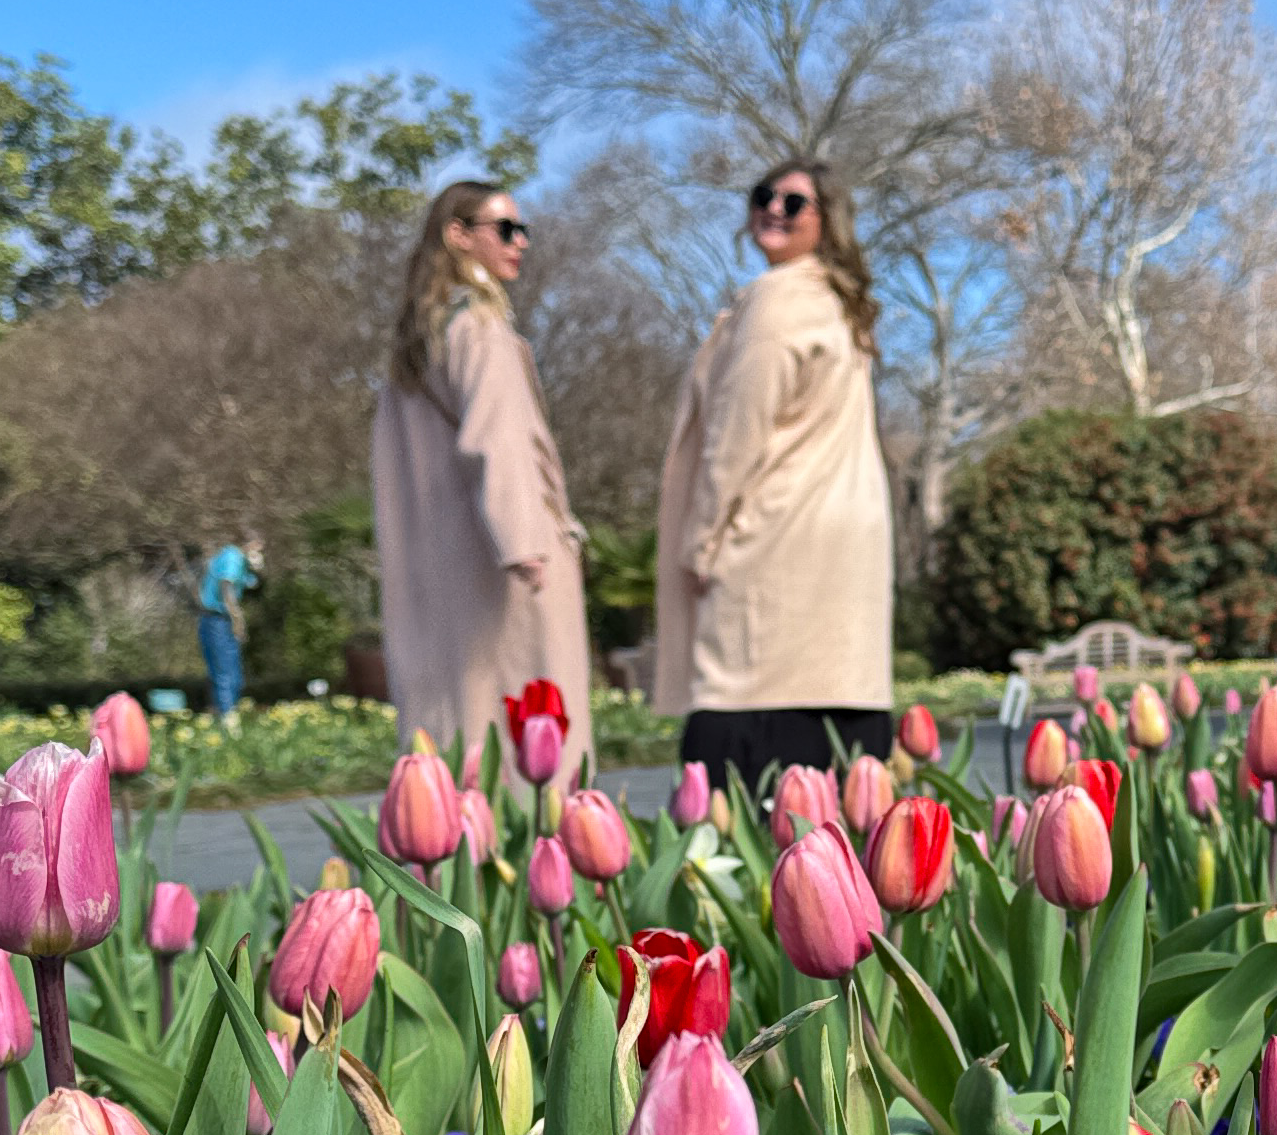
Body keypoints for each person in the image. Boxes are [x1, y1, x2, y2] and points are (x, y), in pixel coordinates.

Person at [653, 159, 894, 789]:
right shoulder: (840, 307)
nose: (774, 210)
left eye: (795, 203)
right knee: (844, 781)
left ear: (828, 221)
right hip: (846, 549)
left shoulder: (775, 300)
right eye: (764, 197)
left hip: (774, 538)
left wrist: (700, 543)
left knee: (746, 753)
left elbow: (736, 437)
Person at [371, 178, 594, 788]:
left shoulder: (417, 342)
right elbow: (498, 441)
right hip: (506, 562)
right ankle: (530, 862)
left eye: (524, 229)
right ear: (458, 236)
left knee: (456, 727)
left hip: (441, 559)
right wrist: (526, 540)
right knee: (527, 725)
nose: (520, 242)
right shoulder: (481, 328)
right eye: (505, 229)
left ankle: (459, 853)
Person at [197, 528, 262, 724]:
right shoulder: (232, 556)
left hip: (220, 620)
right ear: (248, 543)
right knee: (224, 674)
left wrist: (254, 568)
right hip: (217, 620)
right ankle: (228, 722)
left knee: (233, 674)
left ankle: (228, 718)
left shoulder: (238, 560)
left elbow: (252, 584)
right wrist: (237, 618)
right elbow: (226, 587)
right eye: (258, 546)